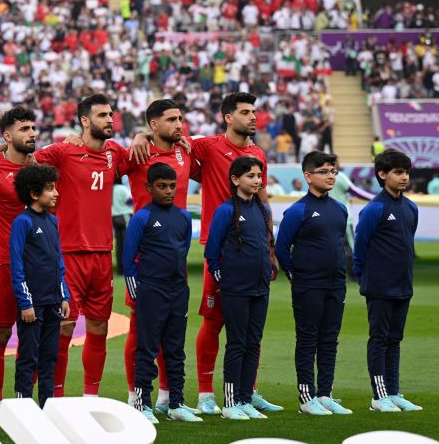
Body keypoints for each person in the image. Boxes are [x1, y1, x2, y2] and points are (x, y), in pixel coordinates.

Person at [134, 92, 281, 414]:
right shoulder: (206, 146)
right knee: (214, 320)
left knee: (251, 325)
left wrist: (270, 243)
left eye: (254, 111)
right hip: (222, 247)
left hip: (253, 247)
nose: (254, 117)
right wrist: (140, 134)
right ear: (229, 117)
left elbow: (263, 197)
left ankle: (248, 390)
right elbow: (164, 140)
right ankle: (204, 394)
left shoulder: (257, 153)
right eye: (246, 112)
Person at [33, 94, 125, 397]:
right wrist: (60, 141)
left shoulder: (115, 153)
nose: (109, 120)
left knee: (99, 328)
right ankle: (54, 398)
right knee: (62, 330)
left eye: (111, 115)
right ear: (85, 121)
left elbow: (146, 154)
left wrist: (142, 134)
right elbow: (27, 157)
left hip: (102, 256)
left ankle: (90, 398)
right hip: (69, 255)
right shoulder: (65, 151)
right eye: (102, 116)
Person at [118, 99, 193, 412]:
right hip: (145, 259)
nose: (179, 124)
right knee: (141, 333)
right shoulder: (137, 153)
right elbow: (104, 163)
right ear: (153, 125)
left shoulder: (185, 150)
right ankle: (136, 398)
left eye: (180, 118)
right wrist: (138, 138)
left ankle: (168, 397)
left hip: (174, 255)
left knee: (173, 334)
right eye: (172, 119)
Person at [274, 151, 352, 416]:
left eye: (333, 171)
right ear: (308, 176)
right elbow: (282, 249)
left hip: (336, 285)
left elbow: (338, 244)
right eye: (324, 171)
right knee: (308, 340)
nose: (331, 176)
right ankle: (306, 398)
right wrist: (297, 275)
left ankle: (325, 394)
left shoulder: (340, 209)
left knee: (330, 340)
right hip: (308, 286)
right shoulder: (298, 210)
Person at [123, 163, 201, 423]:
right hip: (151, 289)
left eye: (172, 186)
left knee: (176, 348)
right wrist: (139, 291)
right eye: (162, 186)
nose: (168, 191)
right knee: (147, 347)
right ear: (149, 188)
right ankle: (142, 403)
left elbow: (182, 252)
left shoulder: (183, 217)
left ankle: (176, 404)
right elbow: (127, 260)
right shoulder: (142, 217)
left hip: (179, 290)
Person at [204, 157, 274, 421]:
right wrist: (225, 279)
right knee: (237, 343)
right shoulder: (225, 211)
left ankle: (245, 398)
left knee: (253, 344)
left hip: (260, 288)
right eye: (251, 176)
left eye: (259, 176)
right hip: (236, 288)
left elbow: (265, 245)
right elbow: (212, 253)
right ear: (235, 180)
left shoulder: (262, 210)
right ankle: (231, 402)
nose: (256, 181)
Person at [0, 107, 36, 421]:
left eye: (33, 128)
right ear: (8, 136)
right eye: (24, 128)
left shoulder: (42, 167)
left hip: (37, 266)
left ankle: (22, 403)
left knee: (36, 338)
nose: (32, 133)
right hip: (1, 264)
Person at [353, 149, 422, 412]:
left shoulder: (411, 207)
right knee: (380, 339)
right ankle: (379, 397)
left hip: (403, 285)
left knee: (395, 340)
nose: (404, 177)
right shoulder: (375, 209)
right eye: (398, 172)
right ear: (382, 174)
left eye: (406, 172)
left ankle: (394, 392)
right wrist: (364, 276)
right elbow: (360, 246)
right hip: (380, 287)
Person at [9, 163, 70, 407]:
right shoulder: (22, 222)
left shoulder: (53, 221)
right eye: (50, 189)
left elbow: (58, 261)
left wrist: (64, 296)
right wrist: (25, 303)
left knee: (49, 358)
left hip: (53, 302)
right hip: (32, 305)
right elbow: (17, 264)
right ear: (34, 194)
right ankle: (22, 408)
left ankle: (47, 407)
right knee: (28, 358)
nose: (55, 193)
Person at [112, 179, 132, 275]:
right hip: (124, 215)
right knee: (127, 243)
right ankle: (126, 268)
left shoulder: (111, 189)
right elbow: (130, 200)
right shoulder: (123, 188)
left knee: (119, 244)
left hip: (114, 216)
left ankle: (120, 269)